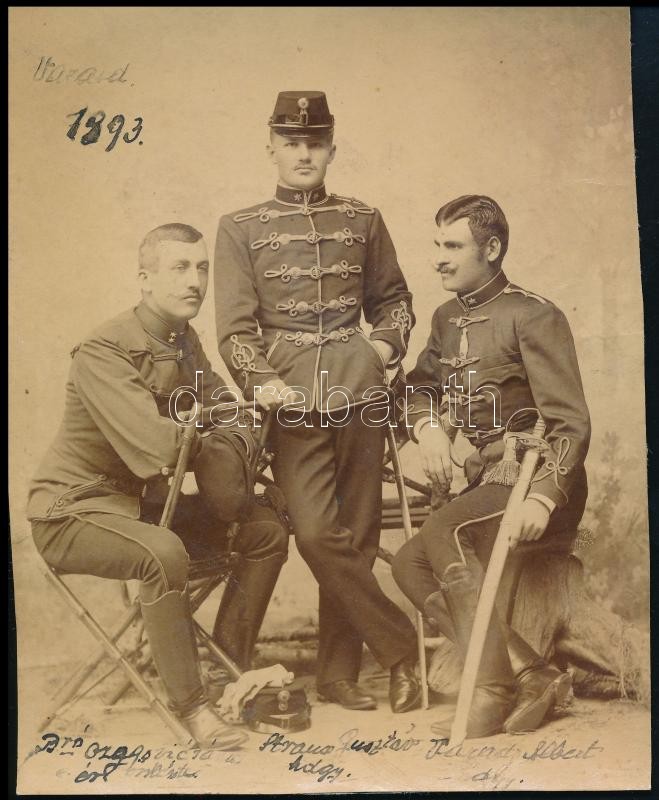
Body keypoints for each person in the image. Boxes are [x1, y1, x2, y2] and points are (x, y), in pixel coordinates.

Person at [27, 223, 289, 749]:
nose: (195, 281)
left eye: (202, 268)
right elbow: (158, 448)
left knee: (265, 532)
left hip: (140, 511)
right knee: (162, 553)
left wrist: (223, 432)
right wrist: (221, 439)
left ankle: (225, 674)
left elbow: (227, 410)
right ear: (144, 279)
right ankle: (192, 710)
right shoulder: (104, 350)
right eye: (179, 267)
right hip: (73, 512)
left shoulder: (184, 341)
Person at [214, 91, 420, 712]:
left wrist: (381, 349)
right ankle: (402, 650)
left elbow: (395, 302)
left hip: (362, 393)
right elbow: (234, 330)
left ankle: (338, 675)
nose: (303, 154)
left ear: (331, 148)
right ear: (271, 148)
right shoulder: (240, 228)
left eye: (314, 143)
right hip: (291, 397)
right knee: (315, 533)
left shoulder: (364, 218)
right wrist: (262, 382)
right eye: (291, 143)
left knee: (356, 536)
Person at [392, 195, 591, 738]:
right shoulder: (446, 318)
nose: (439, 258)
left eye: (453, 246)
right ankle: (530, 672)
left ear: (493, 248)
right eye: (437, 245)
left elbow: (569, 423)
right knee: (408, 563)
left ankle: (492, 687)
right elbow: (418, 388)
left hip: (536, 477)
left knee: (443, 528)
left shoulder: (535, 314)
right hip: (489, 482)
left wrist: (542, 498)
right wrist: (430, 430)